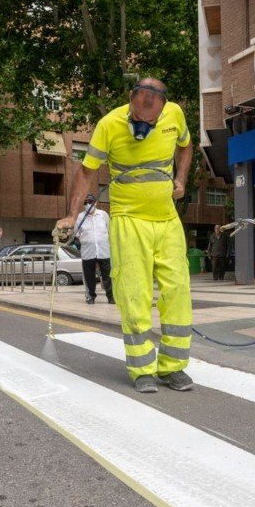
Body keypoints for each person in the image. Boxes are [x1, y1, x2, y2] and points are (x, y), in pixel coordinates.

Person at [55, 78, 193, 394]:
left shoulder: (174, 115)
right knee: (135, 294)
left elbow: (185, 147)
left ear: (163, 109)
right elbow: (86, 172)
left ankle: (172, 368)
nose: (142, 124)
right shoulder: (109, 125)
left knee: (178, 290)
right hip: (130, 220)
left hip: (167, 219)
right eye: (137, 117)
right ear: (130, 101)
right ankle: (142, 369)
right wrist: (72, 215)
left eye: (150, 121)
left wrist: (181, 179)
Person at [75, 193, 114, 304]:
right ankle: (90, 296)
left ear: (95, 203)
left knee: (108, 276)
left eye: (90, 202)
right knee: (89, 277)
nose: (88, 205)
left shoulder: (103, 215)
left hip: (104, 251)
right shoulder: (80, 217)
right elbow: (76, 234)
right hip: (88, 252)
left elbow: (109, 230)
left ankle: (111, 297)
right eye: (85, 203)